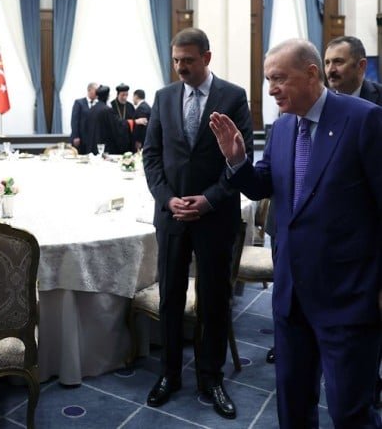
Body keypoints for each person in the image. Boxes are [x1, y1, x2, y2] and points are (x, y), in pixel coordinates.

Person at [210, 38, 382, 428]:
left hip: (348, 297)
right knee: (292, 406)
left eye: (279, 79)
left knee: (350, 412)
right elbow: (263, 185)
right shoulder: (283, 127)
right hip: (290, 296)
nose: (271, 89)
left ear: (311, 74)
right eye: (268, 80)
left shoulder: (364, 119)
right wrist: (236, 161)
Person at [143, 27, 253, 420]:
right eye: (176, 60)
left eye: (188, 60)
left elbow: (241, 159)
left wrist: (208, 200)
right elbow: (151, 156)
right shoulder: (163, 97)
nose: (180, 67)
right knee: (171, 296)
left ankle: (211, 377)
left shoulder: (233, 97)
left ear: (206, 57)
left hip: (215, 216)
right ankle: (169, 374)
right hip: (172, 216)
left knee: (215, 298)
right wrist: (166, 198)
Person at [324, 35, 382, 409]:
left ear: (361, 66)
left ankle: (368, 386)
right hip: (330, 233)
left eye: (339, 62)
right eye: (328, 62)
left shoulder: (378, 104)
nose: (331, 70)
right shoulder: (320, 103)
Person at [84, 85, 125, 155]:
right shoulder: (107, 110)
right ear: (107, 96)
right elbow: (116, 126)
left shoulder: (91, 109)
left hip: (91, 146)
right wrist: (131, 122)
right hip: (103, 148)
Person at [70, 82, 98, 154]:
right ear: (89, 90)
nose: (97, 93)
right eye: (95, 90)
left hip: (92, 139)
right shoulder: (79, 103)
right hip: (81, 138)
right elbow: (74, 120)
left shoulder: (98, 104)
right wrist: (76, 136)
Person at [109, 83, 135, 153]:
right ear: (117, 94)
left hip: (127, 140)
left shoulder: (130, 106)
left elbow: (133, 122)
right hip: (114, 140)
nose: (125, 97)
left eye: (126, 95)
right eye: (123, 95)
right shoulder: (111, 106)